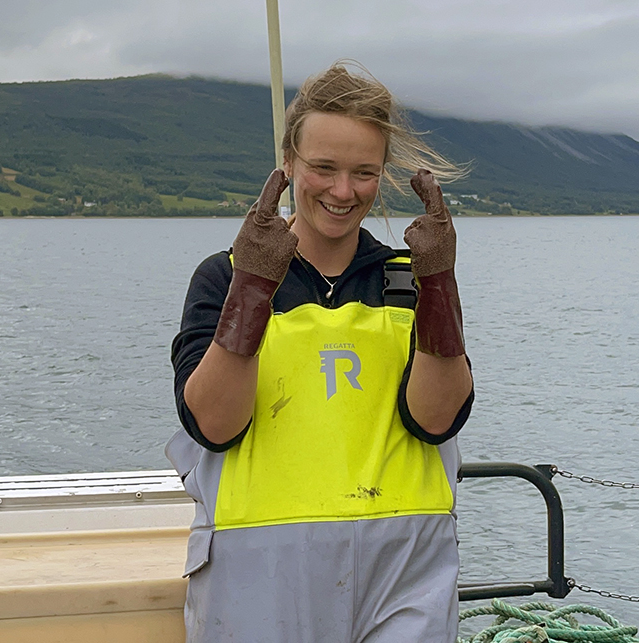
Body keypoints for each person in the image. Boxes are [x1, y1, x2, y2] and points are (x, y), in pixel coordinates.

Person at [167, 62, 473, 643]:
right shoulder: (222, 279)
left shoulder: (409, 282)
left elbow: (435, 420)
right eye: (324, 168)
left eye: (364, 172)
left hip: (406, 570)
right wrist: (253, 288)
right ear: (289, 162)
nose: (342, 191)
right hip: (259, 573)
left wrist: (440, 286)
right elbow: (214, 423)